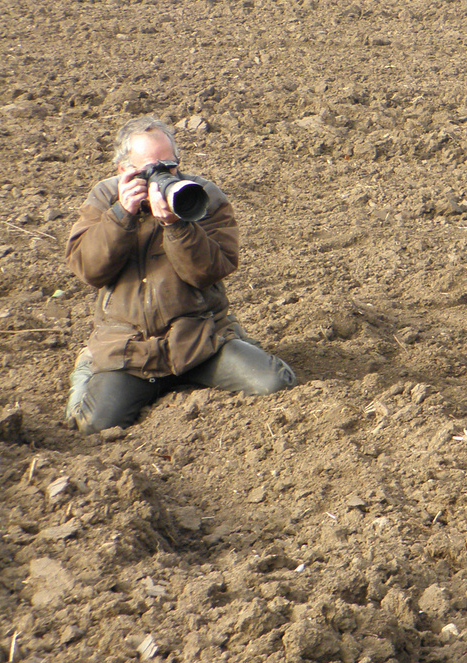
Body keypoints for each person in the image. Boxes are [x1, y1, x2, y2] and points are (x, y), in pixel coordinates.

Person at [64, 116, 295, 433]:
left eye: (168, 167)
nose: (161, 177)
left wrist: (177, 225)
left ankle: (237, 344)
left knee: (275, 383)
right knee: (93, 425)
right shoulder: (105, 199)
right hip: (130, 352)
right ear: (124, 170)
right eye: (150, 170)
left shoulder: (201, 197)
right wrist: (122, 216)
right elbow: (89, 270)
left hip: (199, 341)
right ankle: (89, 365)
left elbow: (209, 272)